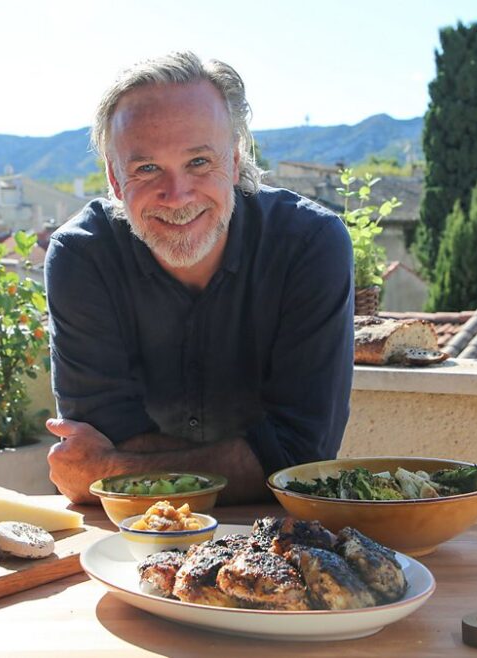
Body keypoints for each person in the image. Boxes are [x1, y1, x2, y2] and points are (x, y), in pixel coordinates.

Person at [44, 51, 354, 505]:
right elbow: (98, 428)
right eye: (146, 168)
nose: (177, 195)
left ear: (234, 160)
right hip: (131, 537)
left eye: (198, 162)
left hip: (282, 538)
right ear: (114, 178)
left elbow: (298, 456)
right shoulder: (82, 256)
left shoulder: (309, 245)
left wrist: (113, 470)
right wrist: (251, 461)